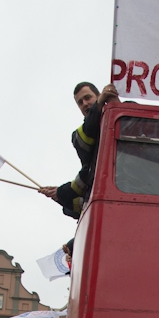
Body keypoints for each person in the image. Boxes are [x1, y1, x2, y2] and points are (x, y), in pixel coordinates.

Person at [39, 82, 120, 218]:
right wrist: (60, 194)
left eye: (88, 98)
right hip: (103, 200)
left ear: (99, 95)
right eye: (80, 103)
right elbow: (87, 173)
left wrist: (117, 106)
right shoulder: (78, 135)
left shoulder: (122, 113)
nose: (84, 104)